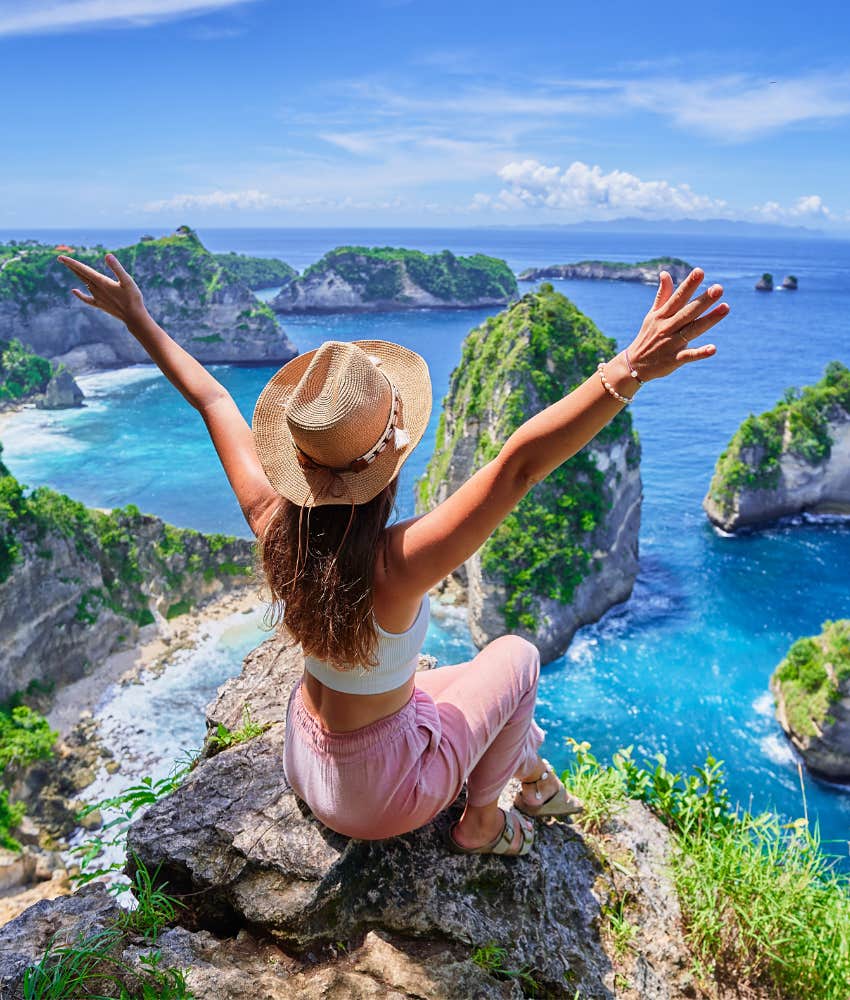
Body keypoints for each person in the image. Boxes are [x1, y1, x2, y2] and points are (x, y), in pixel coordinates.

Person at [57, 251, 729, 857]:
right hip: (381, 800)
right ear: (389, 464)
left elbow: (210, 399)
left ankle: (530, 770)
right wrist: (628, 367)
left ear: (298, 463)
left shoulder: (273, 524)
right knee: (518, 657)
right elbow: (520, 464)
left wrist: (137, 318)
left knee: (466, 690)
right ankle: (485, 826)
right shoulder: (399, 563)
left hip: (306, 760)